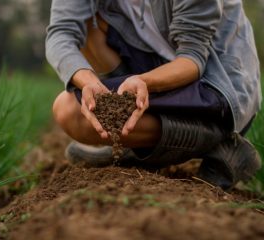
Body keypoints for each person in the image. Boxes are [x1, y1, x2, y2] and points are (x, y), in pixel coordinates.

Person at [46, 0, 262, 190]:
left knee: (69, 112)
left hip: (214, 80)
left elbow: (193, 57)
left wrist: (145, 82)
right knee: (86, 27)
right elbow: (61, 33)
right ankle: (136, 142)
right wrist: (89, 81)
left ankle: (218, 137)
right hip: (152, 63)